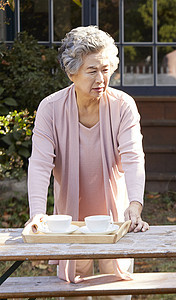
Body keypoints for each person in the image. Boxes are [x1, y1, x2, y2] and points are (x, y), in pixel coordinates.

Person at [26, 26, 149, 288]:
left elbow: (133, 157)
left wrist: (135, 204)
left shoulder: (122, 105)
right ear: (72, 73)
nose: (101, 78)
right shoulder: (50, 108)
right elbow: (39, 164)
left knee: (116, 286)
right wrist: (37, 213)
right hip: (68, 218)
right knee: (75, 287)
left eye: (105, 70)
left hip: (115, 215)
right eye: (92, 71)